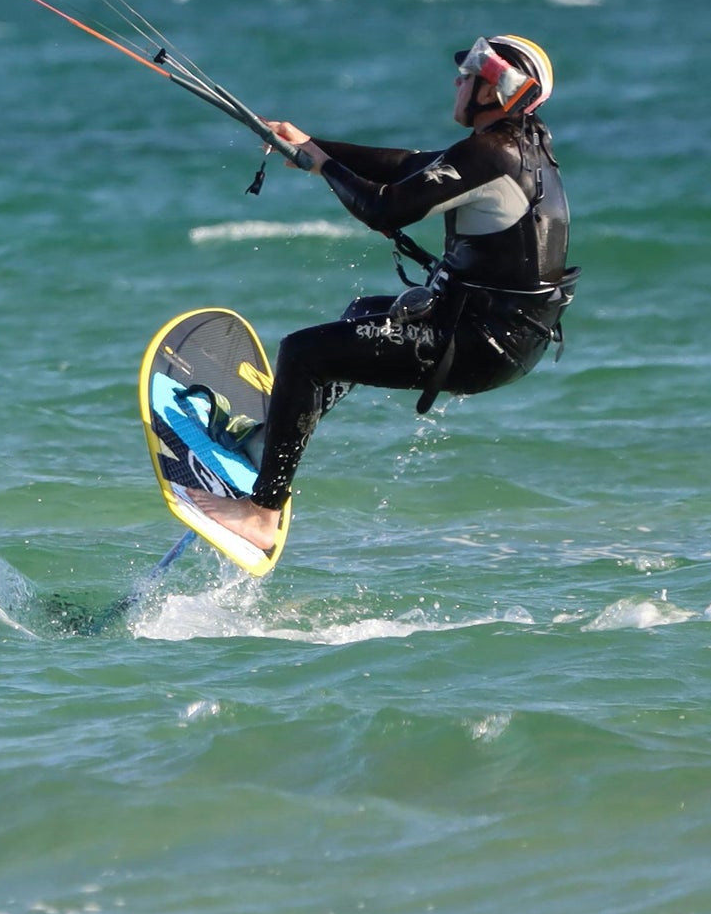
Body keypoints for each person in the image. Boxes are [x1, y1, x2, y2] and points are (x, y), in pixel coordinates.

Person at [194, 33, 577, 562]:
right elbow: (410, 166)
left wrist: (325, 167)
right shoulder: (517, 144)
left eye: (467, 73)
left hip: (481, 343)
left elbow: (386, 208)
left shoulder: (493, 153)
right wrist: (314, 146)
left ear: (495, 91)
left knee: (304, 354)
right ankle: (269, 448)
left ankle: (263, 511)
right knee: (363, 315)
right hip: (501, 334)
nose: (457, 81)